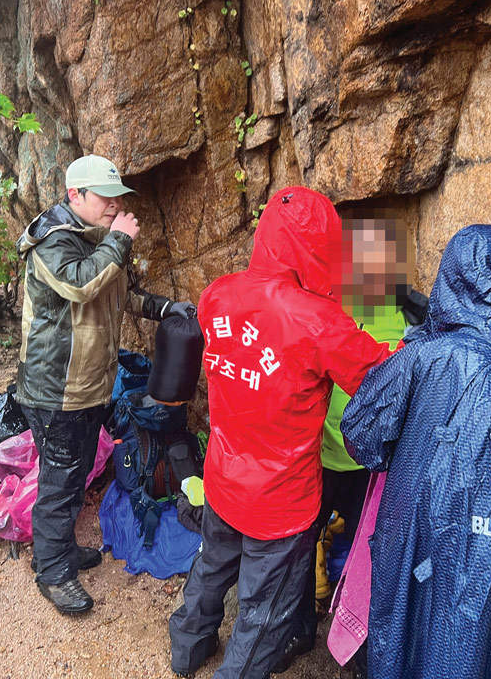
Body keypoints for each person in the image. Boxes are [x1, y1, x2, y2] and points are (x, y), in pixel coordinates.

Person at [168, 186, 394, 679]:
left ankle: (187, 647)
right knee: (262, 614)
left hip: (225, 477)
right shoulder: (320, 323)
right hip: (281, 499)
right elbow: (379, 378)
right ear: (320, 249)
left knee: (211, 569)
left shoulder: (216, 295)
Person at [340, 224, 491, 679]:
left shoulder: (423, 359)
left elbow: (360, 433)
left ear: (452, 276)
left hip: (431, 538)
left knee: (430, 636)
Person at [15, 154, 193, 614]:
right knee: (60, 480)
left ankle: (60, 551)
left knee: (73, 474)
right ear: (76, 195)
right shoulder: (52, 241)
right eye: (106, 197)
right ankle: (52, 573)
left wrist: (164, 307)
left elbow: (120, 292)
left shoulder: (96, 238)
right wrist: (118, 241)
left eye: (119, 198)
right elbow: (80, 284)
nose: (115, 205)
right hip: (57, 391)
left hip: (89, 385)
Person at [276, 209, 427, 676]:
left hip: (374, 465)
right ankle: (300, 630)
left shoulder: (414, 319)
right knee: (299, 546)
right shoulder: (324, 304)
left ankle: (366, 642)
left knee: (376, 552)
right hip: (319, 456)